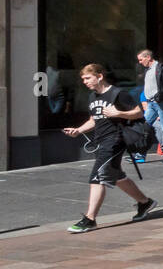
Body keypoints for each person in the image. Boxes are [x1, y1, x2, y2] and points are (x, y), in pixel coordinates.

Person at [61, 63, 157, 233]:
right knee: (117, 176)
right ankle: (145, 202)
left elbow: (139, 112)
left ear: (99, 76)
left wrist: (118, 113)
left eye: (88, 78)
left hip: (116, 140)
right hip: (100, 140)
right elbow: (94, 119)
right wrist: (78, 130)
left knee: (98, 176)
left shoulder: (118, 94)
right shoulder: (93, 97)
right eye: (83, 79)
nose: (85, 82)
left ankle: (90, 219)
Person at [135, 49, 163, 162]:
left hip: (161, 103)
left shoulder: (162, 69)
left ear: (148, 57)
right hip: (151, 103)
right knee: (145, 126)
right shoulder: (148, 70)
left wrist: (159, 97)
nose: (140, 62)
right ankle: (141, 154)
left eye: (141, 59)